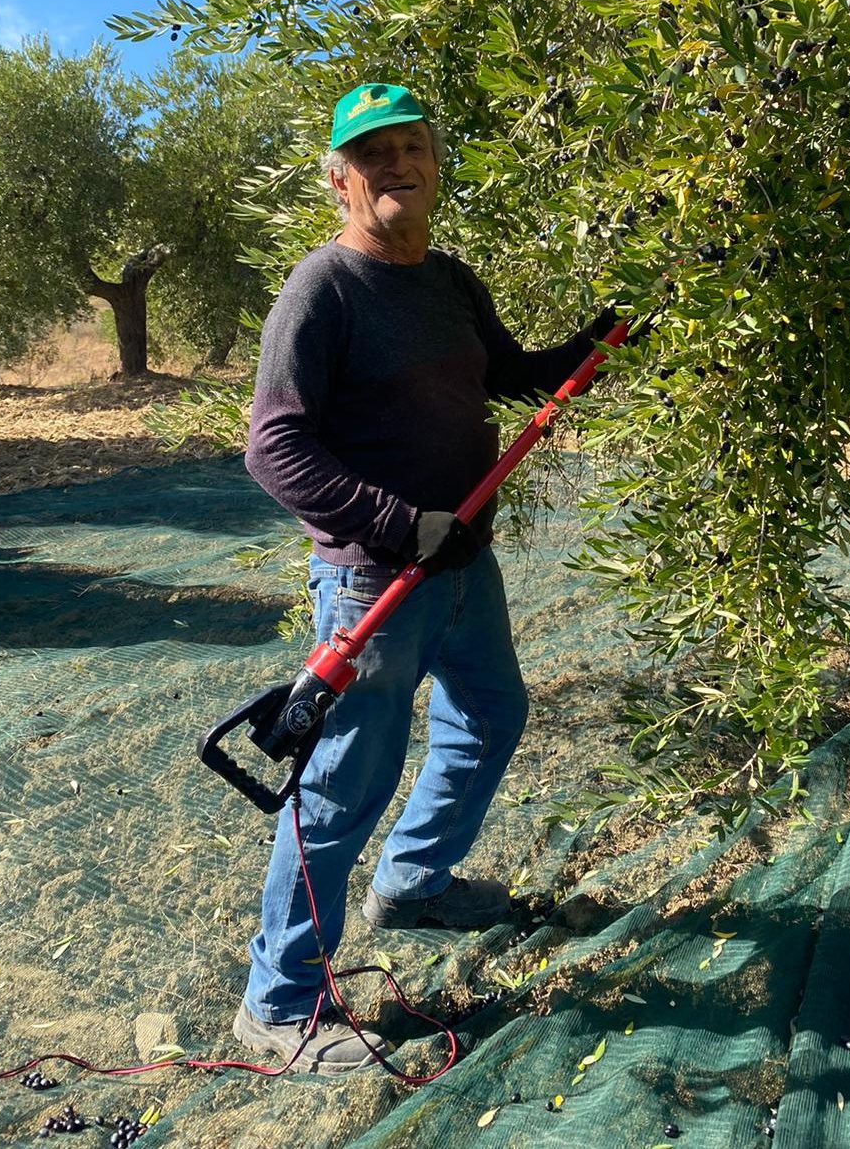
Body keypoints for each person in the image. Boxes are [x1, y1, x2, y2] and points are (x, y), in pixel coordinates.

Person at [235, 83, 619, 1074]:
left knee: (492, 714)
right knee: (340, 792)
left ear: (436, 166)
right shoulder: (323, 288)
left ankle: (414, 882)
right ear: (339, 180)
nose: (395, 164)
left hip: (462, 570)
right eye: (372, 154)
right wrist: (401, 524)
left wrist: (606, 338)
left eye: (412, 147)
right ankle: (278, 1009)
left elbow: (508, 373)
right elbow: (273, 450)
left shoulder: (449, 281)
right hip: (376, 587)